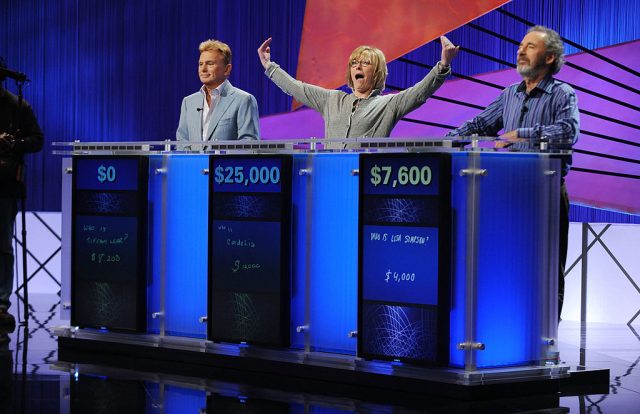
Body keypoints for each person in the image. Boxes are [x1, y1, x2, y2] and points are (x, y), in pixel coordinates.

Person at [446, 26, 579, 321]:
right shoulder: (510, 95)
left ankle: (546, 342)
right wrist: (443, 142)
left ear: (549, 57)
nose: (521, 51)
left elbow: (568, 132)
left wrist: (522, 134)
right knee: (508, 263)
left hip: (545, 191)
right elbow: (479, 124)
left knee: (545, 267)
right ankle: (510, 329)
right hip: (509, 192)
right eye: (521, 45)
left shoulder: (562, 94)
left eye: (530, 46)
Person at [257, 36, 459, 139]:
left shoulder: (388, 104)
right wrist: (269, 66)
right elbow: (296, 87)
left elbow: (419, 92)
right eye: (354, 63)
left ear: (377, 72)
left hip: (365, 183)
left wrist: (443, 66)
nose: (358, 66)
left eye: (365, 63)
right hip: (331, 179)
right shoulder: (331, 99)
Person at [0, 65, 44, 327]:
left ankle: (1, 303)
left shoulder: (17, 105)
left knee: (2, 245)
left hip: (4, 184)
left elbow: (37, 140)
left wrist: (14, 144)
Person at [177, 39, 260, 143]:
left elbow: (249, 144)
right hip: (193, 160)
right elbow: (182, 141)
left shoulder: (244, 100)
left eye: (210, 64)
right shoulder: (188, 102)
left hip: (225, 160)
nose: (203, 69)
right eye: (200, 64)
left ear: (227, 69)